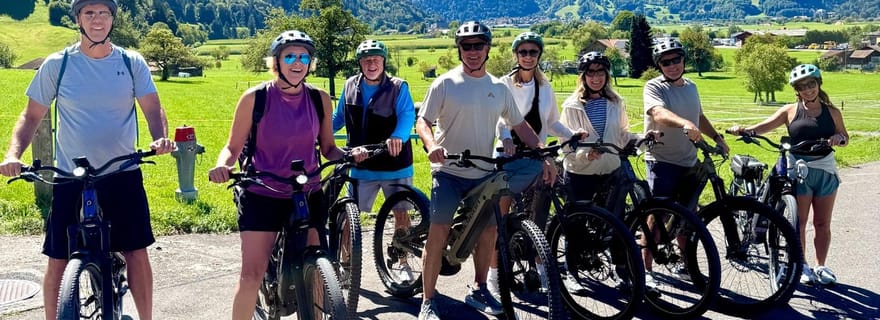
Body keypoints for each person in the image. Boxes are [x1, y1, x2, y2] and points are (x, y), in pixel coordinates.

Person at [0, 1, 175, 319]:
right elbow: (30, 116)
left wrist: (160, 136)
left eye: (104, 13)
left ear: (113, 19)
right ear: (78, 20)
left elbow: (152, 107)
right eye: (89, 13)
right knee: (58, 257)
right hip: (71, 174)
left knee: (136, 250)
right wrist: (13, 155)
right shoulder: (59, 64)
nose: (98, 19)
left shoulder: (130, 61)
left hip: (122, 170)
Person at [206, 30, 364, 320]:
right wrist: (223, 166)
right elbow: (232, 146)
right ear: (276, 61)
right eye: (289, 55)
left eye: (304, 57)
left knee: (318, 268)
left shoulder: (319, 99)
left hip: (307, 192)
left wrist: (351, 154)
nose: (297, 62)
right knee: (251, 276)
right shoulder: (255, 98)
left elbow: (328, 147)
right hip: (263, 193)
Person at [415, 21, 548, 320]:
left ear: (488, 48)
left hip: (483, 172)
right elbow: (423, 121)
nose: (473, 51)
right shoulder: (446, 83)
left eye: (478, 45)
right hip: (449, 171)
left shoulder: (498, 88)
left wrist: (543, 154)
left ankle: (478, 289)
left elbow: (519, 125)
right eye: (466, 46)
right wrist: (431, 144)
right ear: (459, 49)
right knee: (438, 232)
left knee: (488, 231)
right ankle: (428, 300)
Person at [728, 64, 848, 286]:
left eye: (811, 84)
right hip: (798, 169)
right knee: (799, 222)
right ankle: (801, 264)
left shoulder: (832, 112)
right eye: (802, 87)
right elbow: (764, 127)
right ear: (797, 90)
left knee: (822, 223)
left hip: (825, 171)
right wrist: (744, 129)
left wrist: (839, 139)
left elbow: (844, 136)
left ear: (818, 84)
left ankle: (820, 266)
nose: (808, 90)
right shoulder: (790, 111)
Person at [486, 31, 573, 297]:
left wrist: (572, 136)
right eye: (522, 52)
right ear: (516, 55)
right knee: (499, 220)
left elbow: (552, 122)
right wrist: (505, 139)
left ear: (539, 56)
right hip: (508, 158)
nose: (527, 56)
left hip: (536, 158)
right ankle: (493, 274)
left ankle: (540, 267)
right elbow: (500, 119)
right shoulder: (503, 84)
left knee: (540, 216)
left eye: (532, 52)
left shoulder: (545, 87)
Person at [642, 38, 729, 289]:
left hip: (689, 160)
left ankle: (686, 264)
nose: (672, 66)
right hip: (662, 160)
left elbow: (698, 116)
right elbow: (657, 113)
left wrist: (717, 137)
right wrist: (684, 124)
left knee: (688, 215)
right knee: (656, 216)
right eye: (665, 62)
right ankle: (646, 270)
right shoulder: (654, 87)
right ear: (659, 65)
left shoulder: (691, 86)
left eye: (676, 59)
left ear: (683, 60)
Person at [331, 39, 417, 282]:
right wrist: (318, 134)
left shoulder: (398, 87)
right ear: (360, 63)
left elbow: (407, 114)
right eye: (367, 60)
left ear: (383, 62)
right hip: (360, 164)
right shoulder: (349, 85)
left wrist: (397, 137)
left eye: (376, 59)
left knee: (401, 213)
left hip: (394, 162)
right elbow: (339, 117)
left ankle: (402, 261)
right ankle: (345, 266)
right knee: (351, 217)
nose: (371, 64)